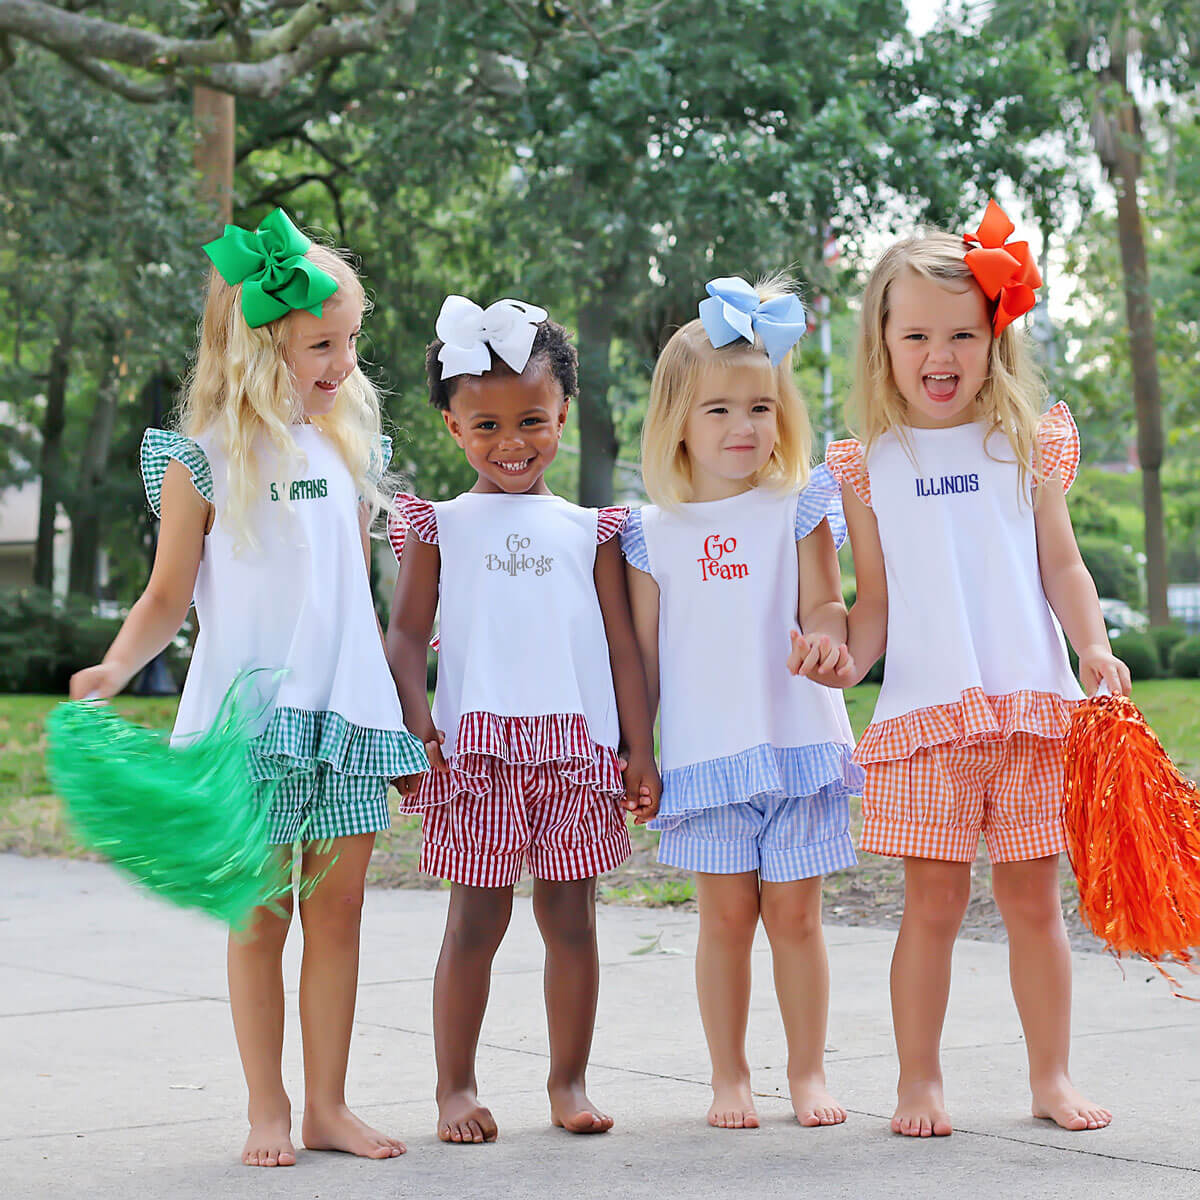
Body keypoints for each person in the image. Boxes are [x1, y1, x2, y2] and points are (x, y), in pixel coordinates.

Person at [69, 208, 427, 1167]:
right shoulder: (200, 462)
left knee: (341, 914)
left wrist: (400, 705)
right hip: (253, 721)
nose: (342, 363)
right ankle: (268, 1109)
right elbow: (166, 593)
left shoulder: (349, 448)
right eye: (321, 345)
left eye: (351, 341)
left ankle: (329, 1107)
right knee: (261, 917)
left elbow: (352, 590)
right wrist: (114, 664)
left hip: (347, 716)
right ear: (259, 345)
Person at [804, 200, 1128, 1138]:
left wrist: (1093, 647)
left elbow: (1061, 565)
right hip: (927, 717)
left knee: (1036, 902)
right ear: (883, 344)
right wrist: (844, 659)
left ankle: (1052, 1077)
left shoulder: (1024, 444)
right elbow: (875, 604)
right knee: (933, 906)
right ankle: (919, 1083)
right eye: (916, 335)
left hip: (1032, 706)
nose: (938, 355)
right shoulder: (866, 466)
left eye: (960, 334)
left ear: (995, 338)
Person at [385, 294, 660, 1144]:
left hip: (575, 756)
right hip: (476, 755)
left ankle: (568, 1082)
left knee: (571, 920)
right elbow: (402, 638)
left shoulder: (594, 530)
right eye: (487, 426)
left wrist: (638, 750)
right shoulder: (438, 527)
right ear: (451, 428)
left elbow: (623, 651)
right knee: (475, 920)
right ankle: (454, 1089)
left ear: (564, 414)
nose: (513, 443)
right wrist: (414, 727)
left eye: (533, 420)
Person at [622, 276, 862, 1131]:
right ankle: (729, 1076)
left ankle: (808, 1071)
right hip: (705, 753)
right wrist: (636, 752)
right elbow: (643, 663)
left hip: (795, 739)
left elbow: (826, 605)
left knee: (796, 916)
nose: (743, 428)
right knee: (724, 919)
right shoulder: (650, 530)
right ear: (677, 421)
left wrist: (828, 639)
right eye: (719, 411)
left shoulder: (798, 506)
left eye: (760, 407)